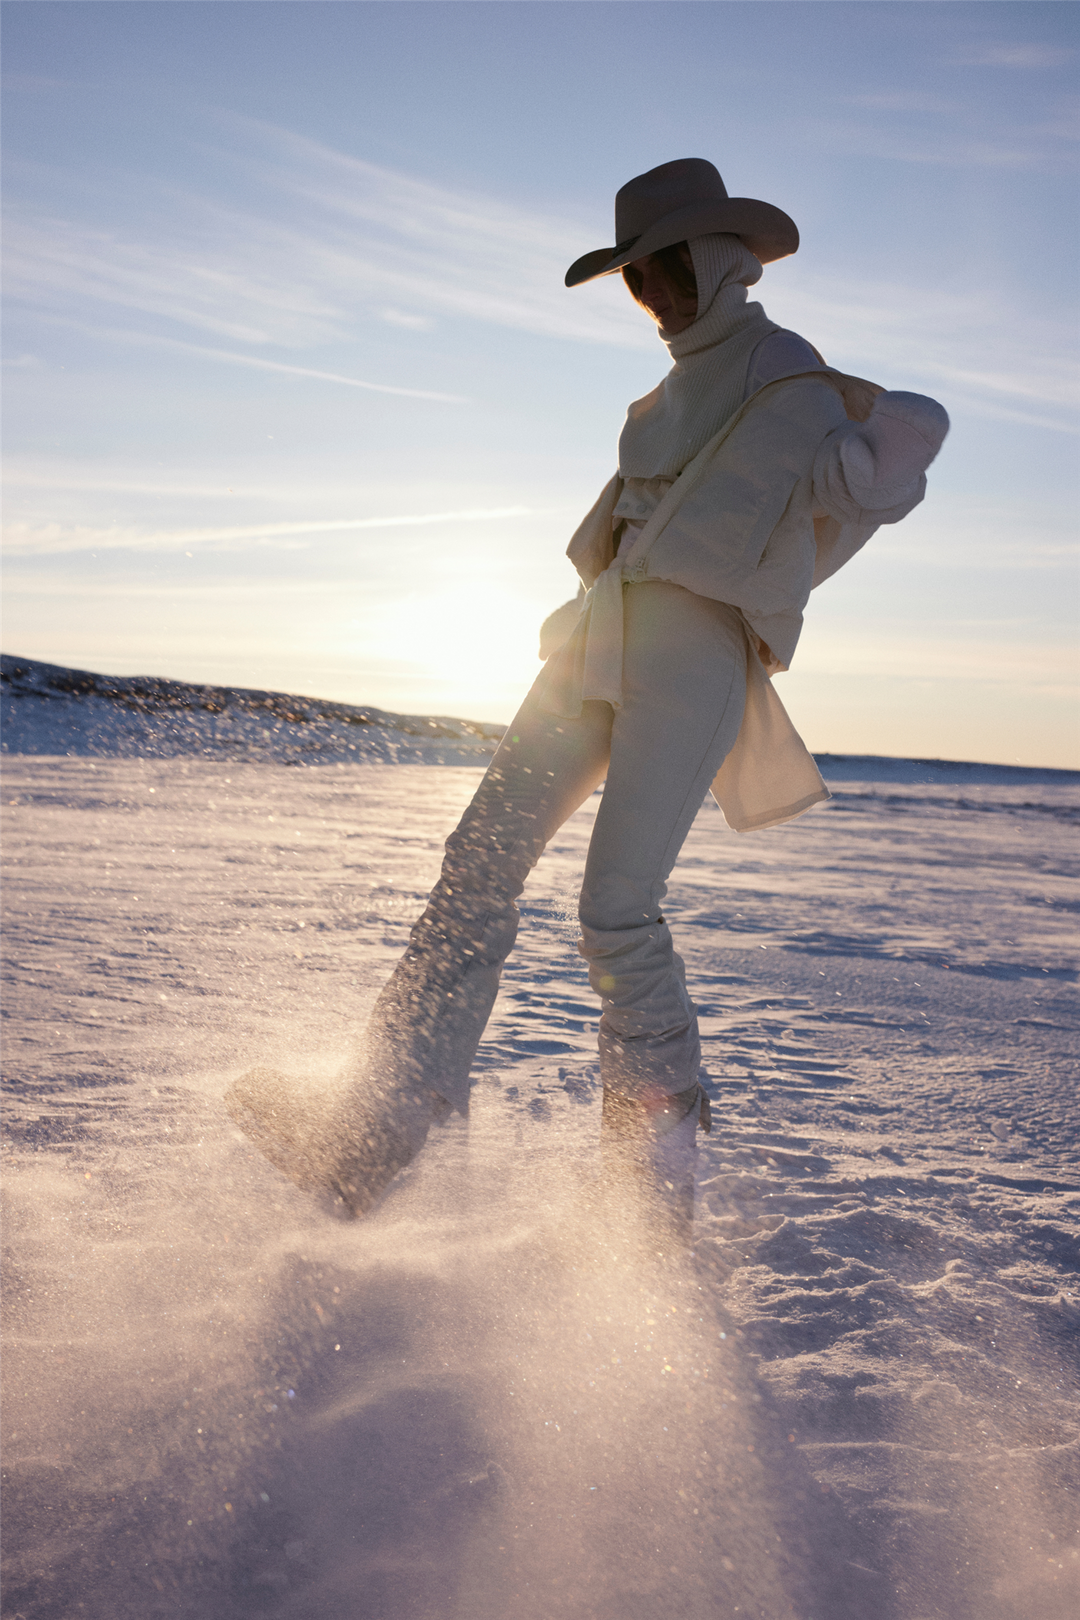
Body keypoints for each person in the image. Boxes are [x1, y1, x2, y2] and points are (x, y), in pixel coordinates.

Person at [227, 158, 948, 1235]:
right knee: (475, 861)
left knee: (615, 909)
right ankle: (380, 1124)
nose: (650, 297)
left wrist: (905, 423)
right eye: (633, 279)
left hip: (697, 653)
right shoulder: (655, 401)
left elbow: (873, 481)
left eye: (659, 270)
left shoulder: (789, 376)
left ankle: (652, 1182)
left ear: (716, 260)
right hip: (597, 637)